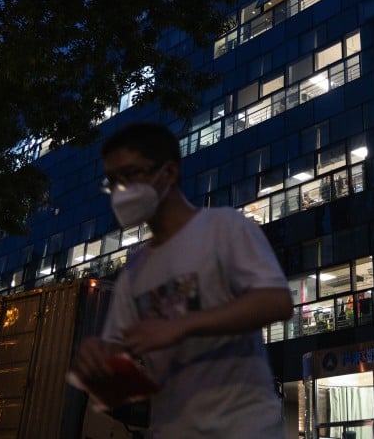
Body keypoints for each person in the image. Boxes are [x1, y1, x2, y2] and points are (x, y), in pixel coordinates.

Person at [70, 121, 293, 438]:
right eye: (113, 182)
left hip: (245, 427)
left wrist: (182, 325)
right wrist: (99, 361)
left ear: (169, 172)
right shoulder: (134, 271)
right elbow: (120, 358)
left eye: (130, 175)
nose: (121, 191)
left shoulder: (224, 227)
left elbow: (276, 301)